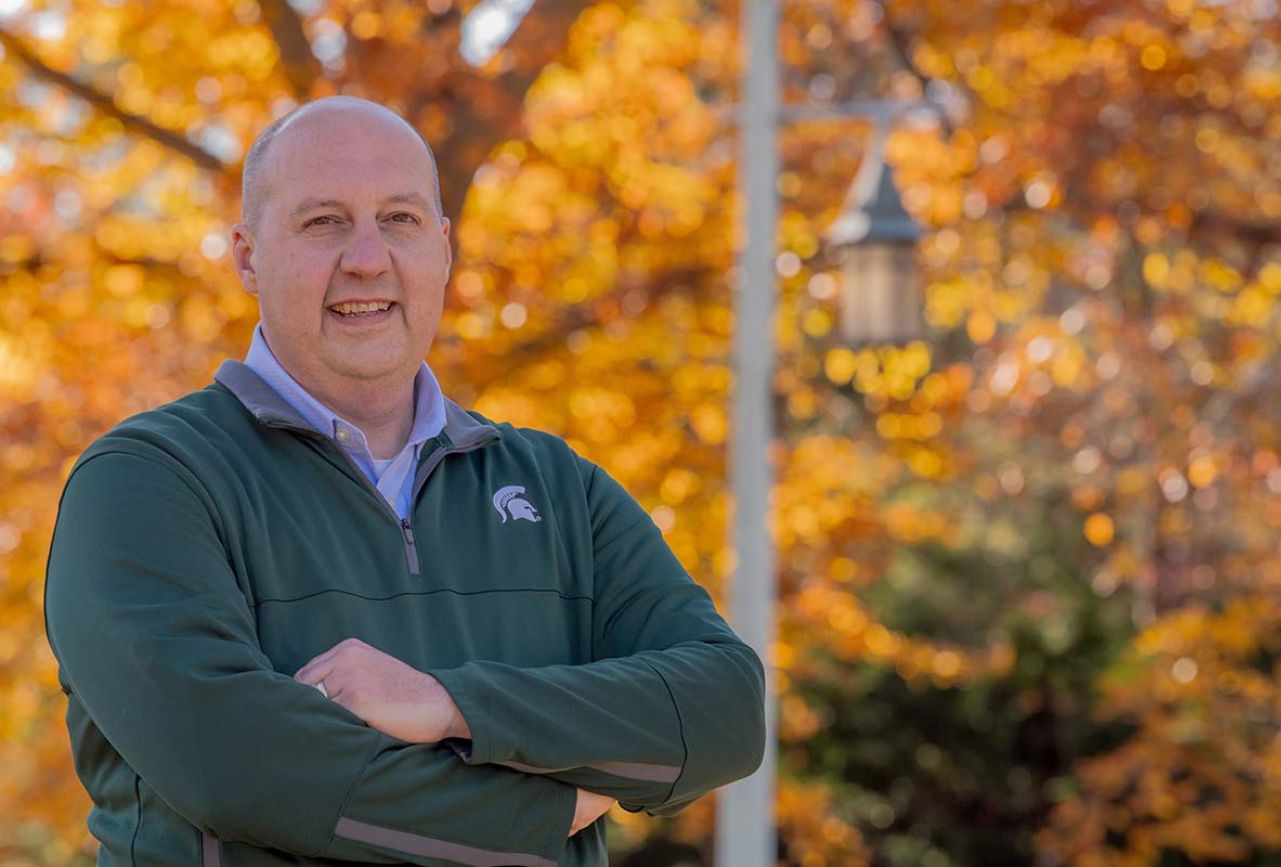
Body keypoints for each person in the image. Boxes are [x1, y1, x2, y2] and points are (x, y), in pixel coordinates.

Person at [43, 96, 765, 867]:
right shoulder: (148, 481)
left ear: (444, 247)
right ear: (247, 256)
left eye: (400, 219)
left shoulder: (557, 488)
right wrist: (549, 812)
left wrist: (450, 704)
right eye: (323, 221)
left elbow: (723, 709)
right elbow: (238, 768)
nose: (366, 257)